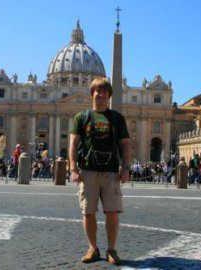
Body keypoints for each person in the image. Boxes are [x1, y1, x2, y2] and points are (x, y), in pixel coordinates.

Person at [69, 77, 130, 265]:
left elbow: (125, 144)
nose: (101, 94)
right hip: (88, 171)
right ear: (92, 94)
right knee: (88, 212)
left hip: (111, 171)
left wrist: (126, 167)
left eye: (104, 91)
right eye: (97, 90)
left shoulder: (117, 118)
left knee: (112, 212)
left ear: (109, 95)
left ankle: (112, 249)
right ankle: (92, 248)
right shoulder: (81, 117)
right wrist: (73, 167)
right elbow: (73, 144)